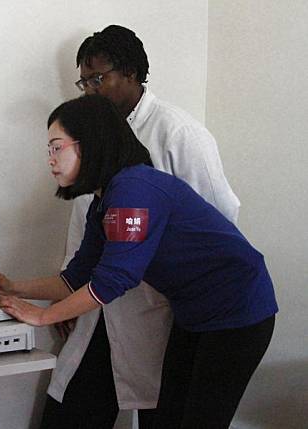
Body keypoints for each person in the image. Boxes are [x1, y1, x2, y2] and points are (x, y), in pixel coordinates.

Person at [0, 95, 277, 428]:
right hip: (194, 314)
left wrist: (44, 316)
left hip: (238, 311)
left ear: (89, 143)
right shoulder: (104, 200)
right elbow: (76, 276)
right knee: (168, 416)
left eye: (56, 147)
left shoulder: (134, 188)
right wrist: (14, 286)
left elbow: (114, 279)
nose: (50, 159)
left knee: (196, 419)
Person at [43, 25, 241, 428]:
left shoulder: (179, 134)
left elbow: (219, 220)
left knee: (163, 414)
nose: (90, 91)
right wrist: (66, 292)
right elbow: (87, 224)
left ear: (131, 73)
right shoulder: (93, 136)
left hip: (160, 308)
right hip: (99, 297)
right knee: (72, 410)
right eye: (84, 82)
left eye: (99, 79)